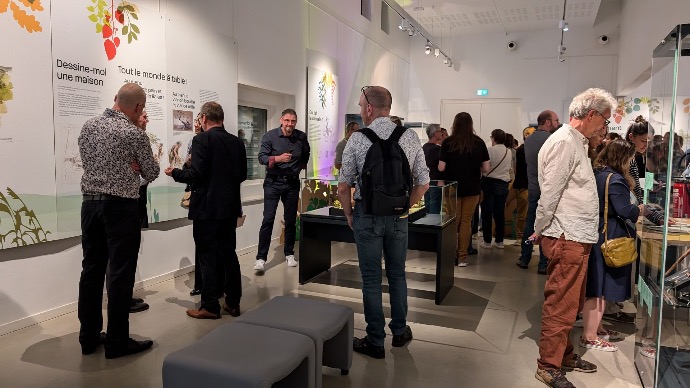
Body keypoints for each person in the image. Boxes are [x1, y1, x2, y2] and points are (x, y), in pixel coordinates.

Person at [532, 87, 616, 387]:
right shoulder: (565, 142)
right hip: (566, 235)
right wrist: (540, 229)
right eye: (604, 120)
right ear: (591, 114)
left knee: (571, 302)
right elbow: (550, 191)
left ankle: (564, 354)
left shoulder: (576, 142)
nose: (604, 126)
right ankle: (548, 364)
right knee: (561, 302)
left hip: (576, 235)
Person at [337, 86, 429, 359]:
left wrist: (349, 214)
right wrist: (404, 208)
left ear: (368, 108)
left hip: (368, 215)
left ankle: (375, 340)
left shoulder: (357, 139)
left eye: (360, 104)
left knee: (371, 280)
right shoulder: (410, 136)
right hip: (398, 218)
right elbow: (423, 183)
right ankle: (399, 331)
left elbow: (344, 186)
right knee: (398, 274)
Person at [78, 83, 159, 359]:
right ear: (137, 107)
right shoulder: (134, 133)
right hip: (120, 208)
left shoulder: (88, 126)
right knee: (120, 274)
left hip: (89, 205)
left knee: (91, 270)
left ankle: (88, 338)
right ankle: (116, 341)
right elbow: (151, 171)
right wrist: (133, 166)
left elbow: (90, 162)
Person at [165, 101, 247, 319]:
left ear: (203, 118)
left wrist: (175, 172)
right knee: (229, 254)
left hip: (207, 210)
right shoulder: (237, 143)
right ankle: (233, 303)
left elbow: (196, 176)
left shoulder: (201, 140)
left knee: (208, 257)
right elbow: (242, 176)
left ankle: (210, 306)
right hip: (229, 208)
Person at [581, 140, 645, 353]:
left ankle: (596, 328)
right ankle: (589, 335)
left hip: (598, 232)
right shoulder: (615, 180)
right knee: (598, 287)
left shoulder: (599, 174)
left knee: (597, 284)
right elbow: (625, 210)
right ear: (623, 158)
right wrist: (642, 210)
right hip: (609, 236)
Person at [254, 109, 311, 272]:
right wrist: (277, 159)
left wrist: (298, 168)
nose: (289, 124)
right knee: (268, 219)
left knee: (291, 220)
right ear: (281, 120)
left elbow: (306, 154)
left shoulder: (301, 137)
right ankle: (261, 258)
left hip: (292, 184)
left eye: (293, 121)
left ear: (296, 122)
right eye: (287, 121)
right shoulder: (270, 136)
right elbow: (261, 157)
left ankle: (289, 253)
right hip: (273, 182)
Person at [438, 112, 490, 266]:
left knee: (452, 222)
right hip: (472, 188)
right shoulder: (479, 142)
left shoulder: (447, 142)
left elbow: (441, 167)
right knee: (466, 222)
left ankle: (450, 255)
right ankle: (462, 257)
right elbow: (486, 168)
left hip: (451, 188)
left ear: (455, 124)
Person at [516, 111, 560, 273]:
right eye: (556, 120)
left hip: (533, 188)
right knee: (546, 226)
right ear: (547, 122)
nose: (558, 123)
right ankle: (543, 263)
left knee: (530, 223)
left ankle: (524, 257)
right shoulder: (552, 140)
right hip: (548, 190)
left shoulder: (529, 140)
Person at [129, 110, 151, 314]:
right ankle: (123, 299)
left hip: (135, 201)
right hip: (129, 203)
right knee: (124, 253)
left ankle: (125, 296)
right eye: (143, 115)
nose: (146, 119)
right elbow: (149, 172)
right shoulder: (134, 137)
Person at [478, 129, 512, 249]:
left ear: (494, 138)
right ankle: (499, 241)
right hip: (503, 184)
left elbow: (485, 167)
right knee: (499, 213)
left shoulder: (490, 150)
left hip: (489, 183)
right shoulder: (509, 152)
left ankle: (487, 241)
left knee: (487, 212)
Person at [186, 112, 205, 297]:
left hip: (205, 200)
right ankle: (201, 284)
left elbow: (197, 171)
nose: (196, 125)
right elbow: (188, 164)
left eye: (198, 121)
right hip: (201, 196)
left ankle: (206, 287)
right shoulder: (194, 141)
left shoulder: (203, 142)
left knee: (205, 245)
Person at [508, 127, 531, 246]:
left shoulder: (522, 149)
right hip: (524, 186)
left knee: (524, 213)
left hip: (521, 185)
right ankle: (520, 236)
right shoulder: (524, 150)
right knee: (523, 213)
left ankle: (521, 236)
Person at [423, 123, 446, 214]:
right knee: (435, 209)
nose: (442, 134)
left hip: (426, 182)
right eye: (440, 131)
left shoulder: (424, 147)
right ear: (435, 133)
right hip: (436, 182)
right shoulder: (437, 149)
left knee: (428, 207)